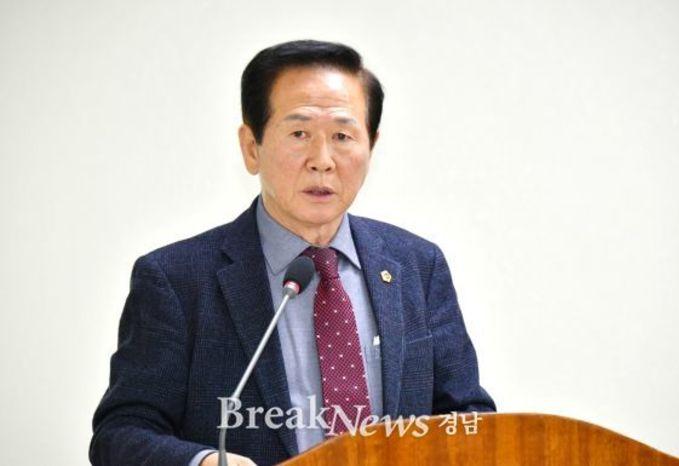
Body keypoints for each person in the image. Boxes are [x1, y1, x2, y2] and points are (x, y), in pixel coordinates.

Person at [90, 39, 496, 466]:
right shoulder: (177, 280)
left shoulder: (417, 266)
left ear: (371, 146)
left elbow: (467, 418)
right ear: (252, 147)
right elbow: (121, 435)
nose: (322, 160)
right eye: (299, 133)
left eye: (342, 136)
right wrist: (205, 462)